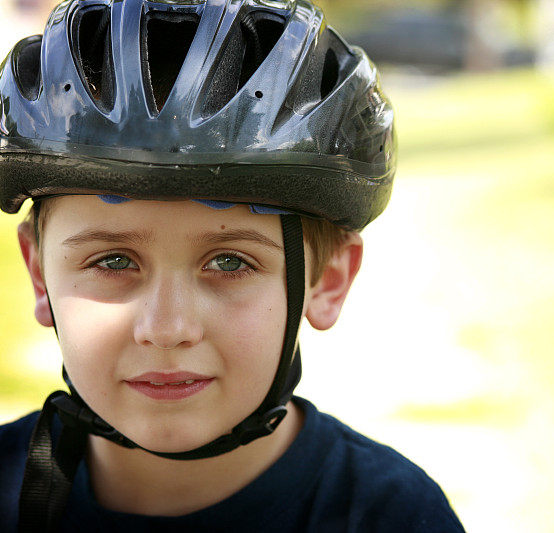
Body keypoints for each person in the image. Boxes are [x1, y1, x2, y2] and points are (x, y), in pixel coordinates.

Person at [0, 0, 466, 531]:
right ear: (40, 276)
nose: (167, 329)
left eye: (229, 261)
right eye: (113, 260)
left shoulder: (390, 516)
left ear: (328, 280)